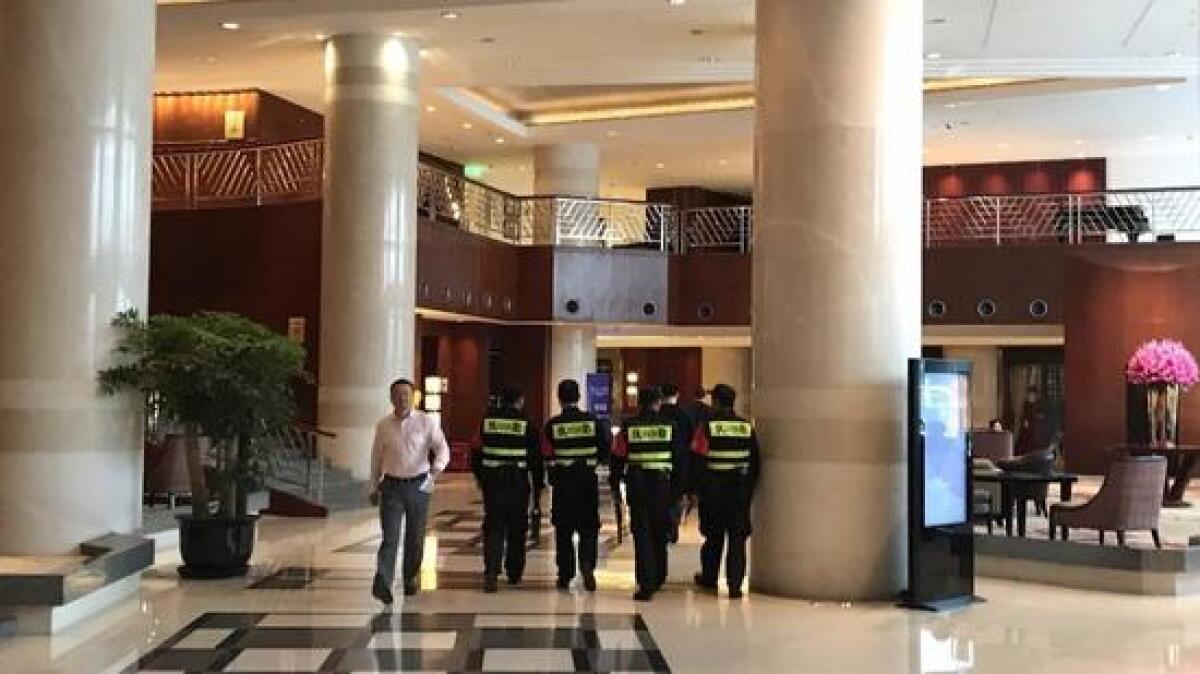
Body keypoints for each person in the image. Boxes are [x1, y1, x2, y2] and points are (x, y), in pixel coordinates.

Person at [369, 378, 450, 604]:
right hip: (392, 486)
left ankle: (409, 577)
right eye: (396, 394)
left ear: (412, 397)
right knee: (390, 537)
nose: (401, 398)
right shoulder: (383, 426)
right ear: (391, 398)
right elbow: (376, 458)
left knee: (415, 537)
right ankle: (383, 582)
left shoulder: (426, 422)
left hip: (418, 485)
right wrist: (373, 486)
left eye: (406, 394)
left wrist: (435, 471)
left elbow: (442, 448)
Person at [611, 386, 688, 601]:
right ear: (659, 403)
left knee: (642, 532)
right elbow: (681, 461)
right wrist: (679, 491)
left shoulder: (629, 426)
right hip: (663, 486)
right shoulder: (670, 426)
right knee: (659, 530)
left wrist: (615, 485)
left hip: (637, 485)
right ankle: (660, 576)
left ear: (640, 403)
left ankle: (646, 583)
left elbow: (617, 458)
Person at [690, 384, 759, 599]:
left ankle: (710, 577)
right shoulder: (746, 427)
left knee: (713, 536)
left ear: (717, 402)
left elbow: (697, 458)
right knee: (737, 539)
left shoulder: (707, 426)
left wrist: (695, 489)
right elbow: (755, 461)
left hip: (713, 492)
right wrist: (748, 489)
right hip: (738, 492)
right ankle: (735, 585)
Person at [473, 384, 544, 593]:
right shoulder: (527, 424)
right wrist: (538, 487)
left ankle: (491, 572)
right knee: (517, 526)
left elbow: (475, 451)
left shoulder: (487, 421)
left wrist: (480, 476)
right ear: (520, 401)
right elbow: (535, 460)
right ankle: (514, 572)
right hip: (518, 482)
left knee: (493, 525)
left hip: (493, 482)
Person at [542, 379, 610, 591]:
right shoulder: (592, 422)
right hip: (587, 482)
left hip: (563, 484)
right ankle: (587, 565)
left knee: (563, 529)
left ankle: (565, 574)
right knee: (589, 526)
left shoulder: (553, 425)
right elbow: (605, 449)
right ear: (579, 397)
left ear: (559, 398)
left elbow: (545, 454)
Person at [659, 383, 694, 544]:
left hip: (659, 463)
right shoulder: (685, 414)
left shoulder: (657, 413)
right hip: (680, 462)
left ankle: (662, 527)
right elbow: (691, 440)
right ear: (677, 395)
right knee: (675, 496)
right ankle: (672, 527)